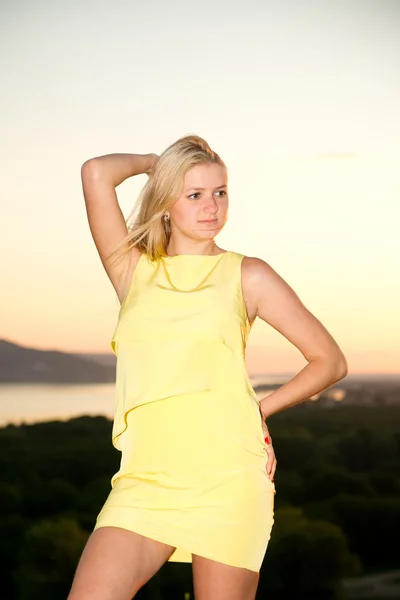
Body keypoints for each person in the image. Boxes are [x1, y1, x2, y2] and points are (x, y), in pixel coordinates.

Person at [68, 134, 348, 600]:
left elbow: (329, 361)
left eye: (220, 192)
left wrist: (261, 410)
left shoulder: (247, 274)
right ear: (165, 203)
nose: (212, 207)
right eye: (194, 194)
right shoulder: (133, 271)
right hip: (145, 481)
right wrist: (158, 164)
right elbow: (95, 171)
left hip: (228, 477)